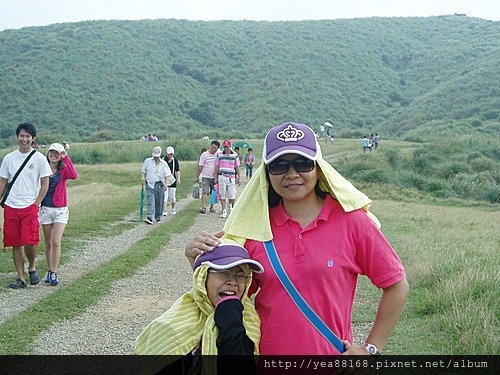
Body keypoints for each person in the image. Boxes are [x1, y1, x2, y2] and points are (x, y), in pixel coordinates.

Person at [185, 122, 408, 355]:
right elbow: (229, 294)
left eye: (302, 163)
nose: (292, 174)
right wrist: (197, 262)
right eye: (280, 166)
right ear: (267, 173)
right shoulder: (255, 227)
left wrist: (371, 348)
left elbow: (396, 284)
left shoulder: (352, 223)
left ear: (318, 168)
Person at [135, 243, 262, 374]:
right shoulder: (173, 324)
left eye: (240, 276)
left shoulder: (248, 322)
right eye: (224, 273)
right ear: (202, 278)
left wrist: (230, 322)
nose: (233, 281)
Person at [0, 123, 52, 289]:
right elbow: (2, 182)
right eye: (21, 136)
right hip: (11, 206)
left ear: (33, 138)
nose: (24, 139)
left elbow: (45, 183)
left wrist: (36, 203)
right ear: (17, 137)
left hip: (30, 206)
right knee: (15, 243)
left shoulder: (39, 158)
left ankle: (32, 266)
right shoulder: (9, 158)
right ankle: (20, 278)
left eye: (27, 136)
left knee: (30, 241)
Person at [39, 143, 78, 286]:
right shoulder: (42, 168)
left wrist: (66, 157)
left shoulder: (63, 169)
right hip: (45, 208)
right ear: (48, 153)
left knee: (56, 241)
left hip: (60, 209)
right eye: (52, 152)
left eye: (57, 153)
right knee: (48, 243)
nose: (54, 155)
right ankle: (49, 271)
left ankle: (54, 272)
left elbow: (74, 175)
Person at [141, 146, 173, 224]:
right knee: (150, 201)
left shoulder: (163, 163)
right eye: (155, 156)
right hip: (150, 184)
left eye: (157, 156)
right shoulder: (147, 161)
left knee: (159, 201)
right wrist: (143, 177)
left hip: (159, 184)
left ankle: (158, 217)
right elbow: (143, 171)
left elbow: (166, 175)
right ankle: (149, 217)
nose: (156, 158)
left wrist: (166, 184)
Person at [214, 140, 240, 219]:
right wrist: (215, 177)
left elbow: (237, 167)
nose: (226, 148)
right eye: (224, 147)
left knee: (231, 195)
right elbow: (217, 166)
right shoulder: (219, 155)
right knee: (222, 194)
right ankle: (224, 210)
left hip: (231, 177)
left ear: (230, 146)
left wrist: (238, 177)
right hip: (222, 176)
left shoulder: (234, 155)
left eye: (227, 147)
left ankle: (230, 207)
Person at [196, 141, 220, 214]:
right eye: (212, 147)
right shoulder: (204, 155)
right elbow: (200, 166)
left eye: (215, 148)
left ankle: (212, 207)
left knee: (213, 192)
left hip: (215, 176)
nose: (213, 149)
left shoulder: (219, 154)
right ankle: (203, 207)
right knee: (205, 191)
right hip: (206, 176)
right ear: (210, 146)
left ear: (217, 148)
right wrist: (197, 176)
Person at [163, 146, 180, 216]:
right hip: (165, 181)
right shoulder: (163, 161)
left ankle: (173, 208)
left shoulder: (175, 161)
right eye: (168, 154)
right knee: (165, 196)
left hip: (172, 181)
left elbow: (177, 170)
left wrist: (178, 178)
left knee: (172, 197)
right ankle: (165, 210)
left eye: (171, 154)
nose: (169, 155)